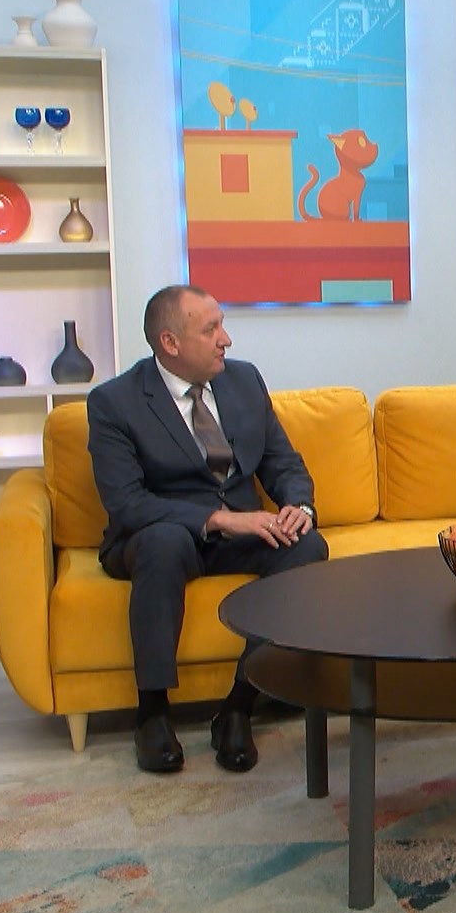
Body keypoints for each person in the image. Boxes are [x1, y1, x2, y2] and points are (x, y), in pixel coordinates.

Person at [88, 285, 328, 775]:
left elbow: (283, 462)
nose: (226, 339)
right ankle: (152, 713)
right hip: (165, 533)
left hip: (239, 534)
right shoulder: (115, 402)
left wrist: (298, 506)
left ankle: (239, 706)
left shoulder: (244, 381)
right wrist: (217, 519)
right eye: (211, 329)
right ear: (170, 343)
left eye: (222, 324)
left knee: (307, 547)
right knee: (163, 542)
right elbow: (127, 504)